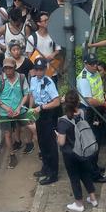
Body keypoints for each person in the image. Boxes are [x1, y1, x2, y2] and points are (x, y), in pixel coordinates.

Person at [55, 90, 101, 212]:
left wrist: (57, 136)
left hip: (70, 154)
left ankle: (79, 203)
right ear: (78, 102)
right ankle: (93, 198)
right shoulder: (83, 113)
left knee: (74, 177)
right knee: (85, 173)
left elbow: (62, 142)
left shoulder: (63, 121)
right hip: (84, 151)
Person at [29, 57, 62, 185]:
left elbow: (57, 102)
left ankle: (53, 174)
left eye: (41, 69)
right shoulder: (33, 80)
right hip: (38, 114)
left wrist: (42, 107)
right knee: (42, 143)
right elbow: (32, 95)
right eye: (36, 69)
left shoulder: (49, 82)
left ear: (45, 69)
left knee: (50, 145)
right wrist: (32, 109)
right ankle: (46, 168)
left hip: (48, 114)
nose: (39, 72)